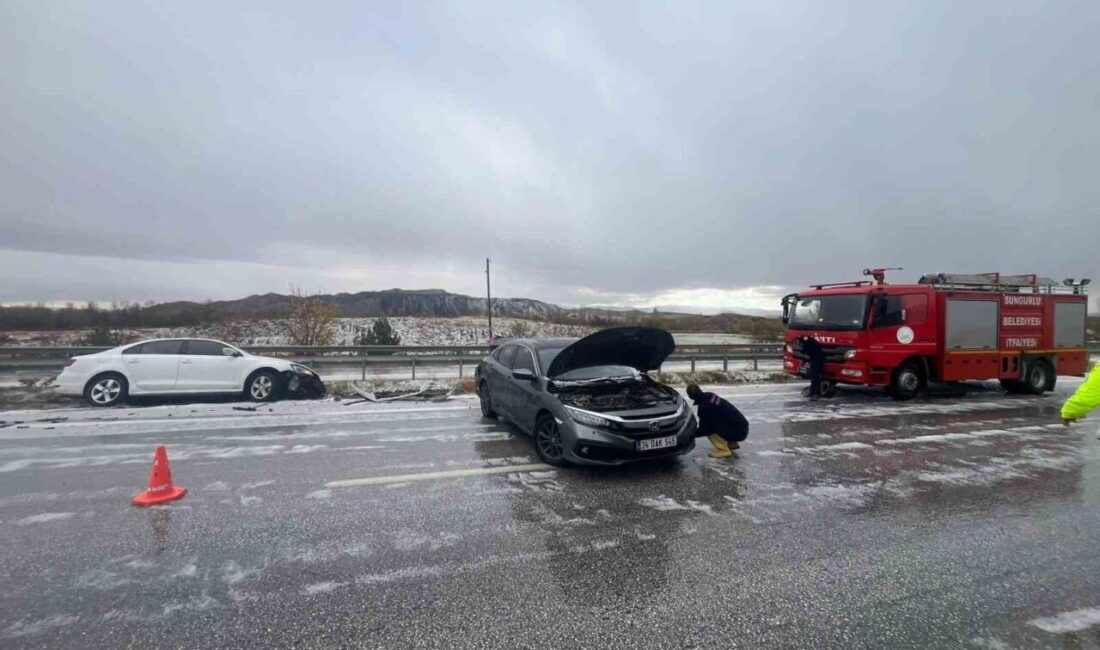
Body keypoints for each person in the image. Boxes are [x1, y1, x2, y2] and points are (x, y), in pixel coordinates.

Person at [686, 384, 749, 459]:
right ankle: (732, 443)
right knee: (719, 421)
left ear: (690, 397)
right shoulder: (710, 395)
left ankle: (724, 450)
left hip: (739, 432)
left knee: (709, 430)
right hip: (742, 426)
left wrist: (690, 434)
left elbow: (704, 429)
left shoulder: (704, 408)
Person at [799, 335, 825, 400]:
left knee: (815, 377)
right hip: (815, 359)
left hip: (816, 360)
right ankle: (813, 392)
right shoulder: (811, 341)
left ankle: (816, 393)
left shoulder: (808, 343)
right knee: (813, 377)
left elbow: (805, 351)